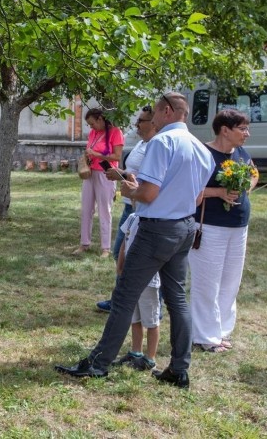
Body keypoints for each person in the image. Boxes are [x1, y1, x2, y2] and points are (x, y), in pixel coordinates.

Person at [55, 92, 214, 389]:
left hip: (157, 229)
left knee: (124, 296)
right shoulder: (201, 148)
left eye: (153, 113)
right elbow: (194, 194)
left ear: (167, 112)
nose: (151, 120)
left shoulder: (162, 142)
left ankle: (99, 364)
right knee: (178, 300)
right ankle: (179, 368)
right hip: (184, 227)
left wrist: (129, 191)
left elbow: (149, 194)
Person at [189, 109, 258, 353]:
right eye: (243, 129)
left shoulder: (239, 152)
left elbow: (253, 173)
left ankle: (221, 332)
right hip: (209, 226)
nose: (247, 134)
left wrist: (245, 186)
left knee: (231, 282)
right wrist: (218, 192)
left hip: (238, 227)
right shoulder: (204, 153)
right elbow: (190, 189)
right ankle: (205, 337)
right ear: (225, 130)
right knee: (207, 282)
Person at [96, 105, 157, 312]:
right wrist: (119, 174)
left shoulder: (155, 147)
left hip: (140, 208)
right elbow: (131, 174)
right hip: (128, 206)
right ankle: (123, 298)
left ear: (154, 123)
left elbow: (146, 182)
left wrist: (123, 176)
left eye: (141, 120)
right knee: (119, 254)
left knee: (126, 256)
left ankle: (125, 301)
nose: (137, 124)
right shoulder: (141, 144)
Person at [111, 213, 161, 371]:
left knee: (151, 320)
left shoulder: (156, 220)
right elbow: (124, 244)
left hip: (148, 280)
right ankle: (136, 352)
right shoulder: (133, 217)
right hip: (130, 276)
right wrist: (120, 266)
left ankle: (150, 358)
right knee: (134, 317)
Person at [74, 107, 124, 257]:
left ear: (101, 119)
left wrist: (96, 154)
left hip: (106, 174)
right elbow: (89, 149)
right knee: (86, 209)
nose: (91, 127)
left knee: (105, 210)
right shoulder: (93, 133)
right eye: (89, 125)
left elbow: (117, 157)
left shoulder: (116, 132)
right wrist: (88, 157)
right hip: (90, 173)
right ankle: (84, 243)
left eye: (92, 123)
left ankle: (106, 248)